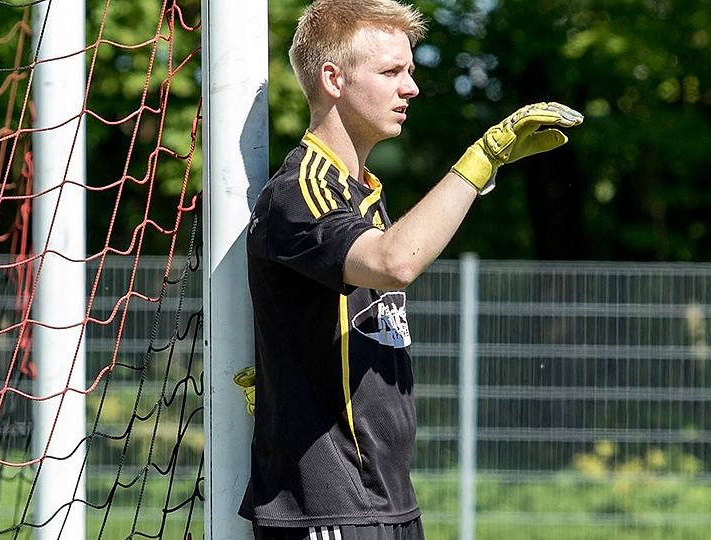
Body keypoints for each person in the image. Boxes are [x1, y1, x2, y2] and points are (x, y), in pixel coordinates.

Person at [240, 0, 583, 538]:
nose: (411, 88)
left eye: (411, 71)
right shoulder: (300, 189)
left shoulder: (364, 194)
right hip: (333, 509)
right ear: (333, 79)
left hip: (387, 503)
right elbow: (394, 262)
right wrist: (483, 158)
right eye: (391, 72)